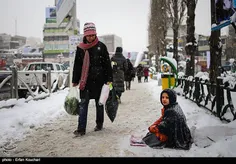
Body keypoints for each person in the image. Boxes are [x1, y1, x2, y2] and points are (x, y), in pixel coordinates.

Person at [72, 22, 113, 136]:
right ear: (85, 35)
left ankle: (99, 124)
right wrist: (75, 80)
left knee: (99, 103)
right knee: (83, 104)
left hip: (100, 80)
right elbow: (77, 65)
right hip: (85, 82)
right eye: (88, 35)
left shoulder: (101, 46)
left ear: (95, 34)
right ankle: (81, 129)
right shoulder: (81, 48)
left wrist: (109, 78)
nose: (90, 37)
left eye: (92, 35)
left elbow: (107, 64)